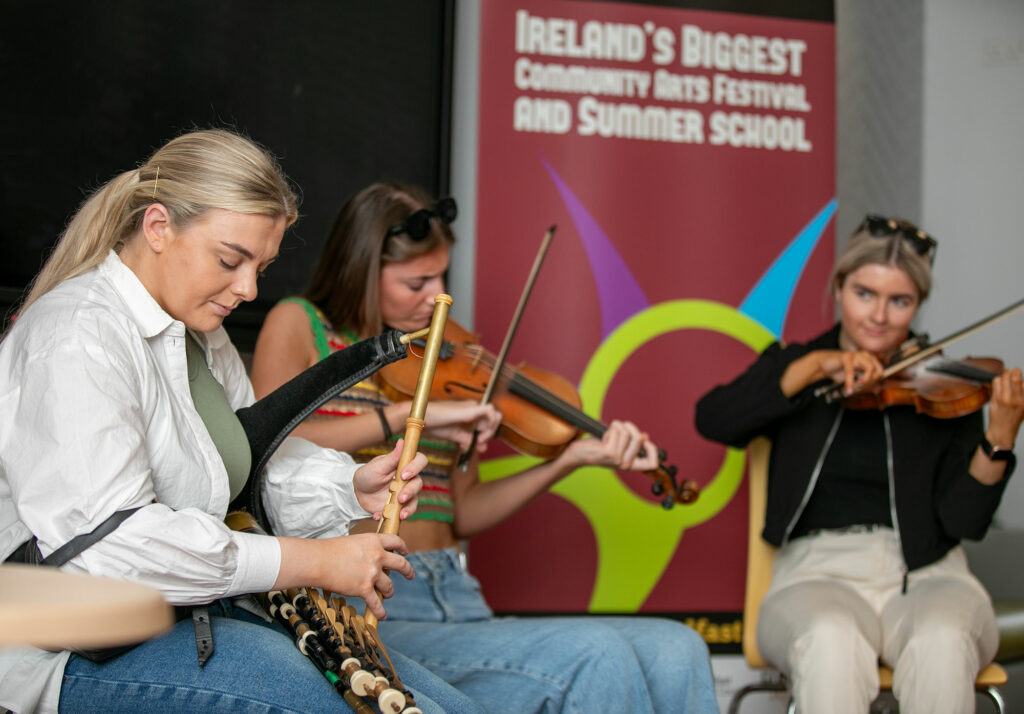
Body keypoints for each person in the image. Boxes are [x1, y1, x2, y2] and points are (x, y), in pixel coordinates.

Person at [0, 131, 484, 714]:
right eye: (230, 260)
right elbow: (108, 548)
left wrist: (350, 488)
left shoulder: (204, 336)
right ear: (158, 228)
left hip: (190, 622)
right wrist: (313, 561)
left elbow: (247, 467)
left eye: (262, 266)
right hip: (64, 655)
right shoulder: (76, 334)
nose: (248, 289)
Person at [250, 181, 719, 713]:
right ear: (361, 269)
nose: (437, 295)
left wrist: (569, 459)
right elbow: (269, 444)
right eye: (416, 281)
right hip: (371, 603)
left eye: (442, 275)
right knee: (596, 654)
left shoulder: (446, 354)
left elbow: (463, 511)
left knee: (677, 648)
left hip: (453, 588)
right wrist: (408, 418)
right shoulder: (301, 325)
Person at [695, 215, 1024, 714]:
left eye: (900, 301)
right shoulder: (798, 366)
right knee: (830, 640)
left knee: (943, 637)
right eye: (864, 294)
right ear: (838, 288)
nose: (879, 316)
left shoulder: (944, 385)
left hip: (930, 574)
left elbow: (963, 522)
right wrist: (812, 368)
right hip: (816, 573)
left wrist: (999, 438)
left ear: (917, 305)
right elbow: (714, 419)